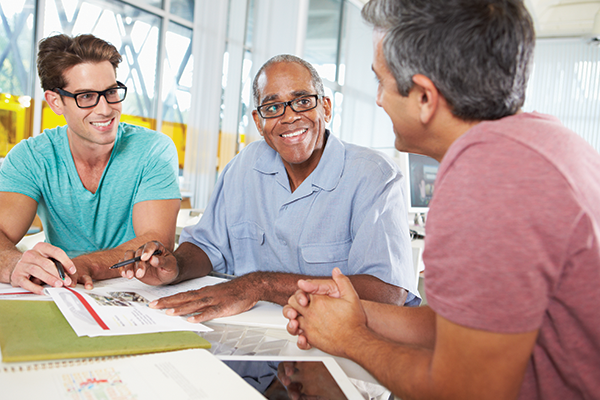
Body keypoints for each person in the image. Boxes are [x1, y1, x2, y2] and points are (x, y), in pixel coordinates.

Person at [283, 1, 600, 399]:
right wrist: (358, 313)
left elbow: (466, 389)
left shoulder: (488, 181)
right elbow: (464, 326)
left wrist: (351, 338)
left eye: (381, 82)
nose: (378, 100)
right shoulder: (542, 141)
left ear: (425, 98)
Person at [122, 54, 420, 323]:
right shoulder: (243, 167)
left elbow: (387, 292)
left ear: (326, 107)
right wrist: (174, 266)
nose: (289, 117)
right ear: (259, 121)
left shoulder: (374, 176)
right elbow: (206, 246)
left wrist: (260, 285)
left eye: (303, 101)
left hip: (332, 346)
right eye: (273, 107)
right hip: (248, 340)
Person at [0, 34, 181, 295]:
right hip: (62, 291)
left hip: (136, 290)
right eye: (86, 96)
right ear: (55, 102)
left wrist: (81, 266)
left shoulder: (153, 150)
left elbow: (155, 242)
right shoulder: (31, 157)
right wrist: (15, 262)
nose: (105, 109)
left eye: (110, 92)